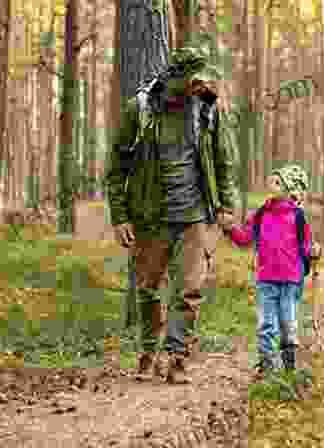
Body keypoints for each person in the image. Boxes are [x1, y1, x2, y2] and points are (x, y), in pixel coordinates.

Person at [104, 45, 239, 384]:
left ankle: (176, 356)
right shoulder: (142, 109)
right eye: (193, 82)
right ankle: (150, 349)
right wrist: (120, 217)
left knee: (190, 289)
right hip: (150, 217)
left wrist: (225, 206)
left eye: (202, 82)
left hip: (194, 217)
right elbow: (115, 167)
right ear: (175, 79)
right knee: (148, 288)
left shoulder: (208, 110)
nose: (198, 88)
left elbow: (223, 162)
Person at [219, 164, 322, 376]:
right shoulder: (261, 214)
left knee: (288, 325)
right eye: (271, 180)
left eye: (278, 181)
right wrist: (229, 228)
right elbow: (245, 238)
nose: (271, 183)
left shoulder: (298, 217)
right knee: (266, 325)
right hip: (266, 279)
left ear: (290, 189)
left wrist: (314, 252)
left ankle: (289, 368)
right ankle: (267, 366)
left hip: (291, 281)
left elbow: (306, 246)